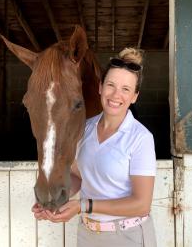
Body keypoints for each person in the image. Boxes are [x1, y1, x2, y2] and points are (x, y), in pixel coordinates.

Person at [32, 47, 157, 247]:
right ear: (100, 87)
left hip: (127, 236)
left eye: (126, 89)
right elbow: (80, 176)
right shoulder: (85, 129)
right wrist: (53, 201)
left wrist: (84, 206)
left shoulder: (140, 138)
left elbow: (141, 204)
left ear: (134, 97)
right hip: (88, 235)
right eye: (111, 85)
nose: (116, 95)